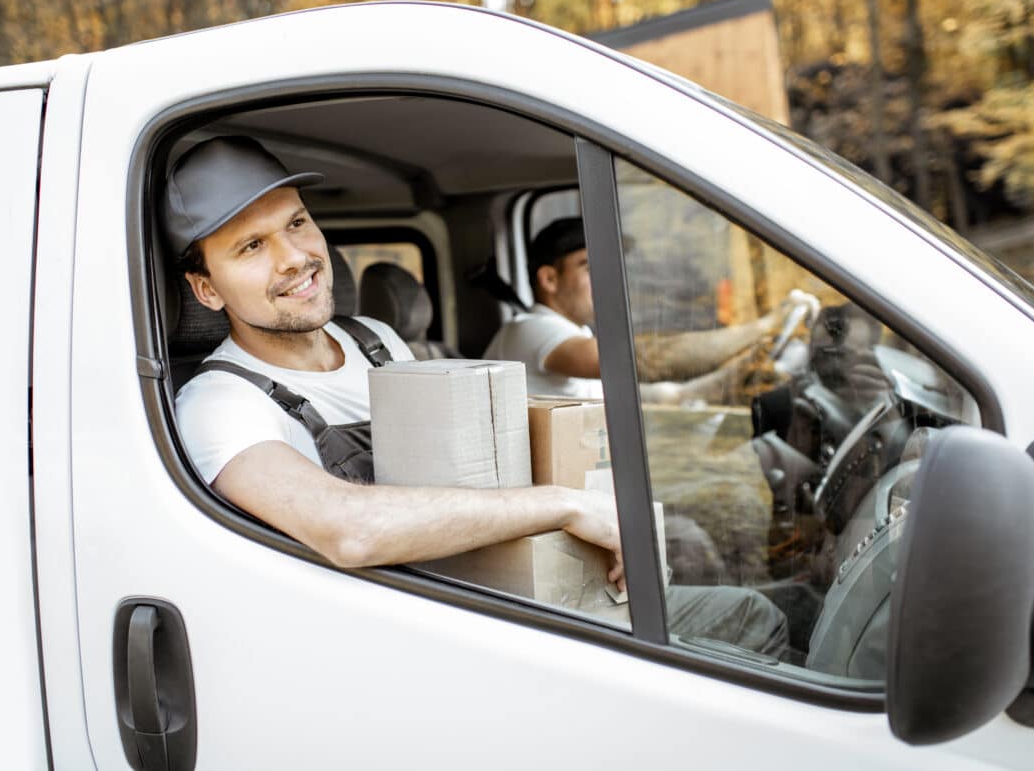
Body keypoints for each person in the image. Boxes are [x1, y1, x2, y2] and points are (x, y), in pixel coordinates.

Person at [165, 135, 787, 656]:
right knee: (755, 628)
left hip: (491, 595)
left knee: (751, 608)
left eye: (296, 223)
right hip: (418, 639)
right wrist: (565, 508)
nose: (295, 258)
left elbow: (472, 474)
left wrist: (593, 527)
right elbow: (346, 529)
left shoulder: (375, 340)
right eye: (251, 246)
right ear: (207, 288)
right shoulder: (220, 403)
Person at [483, 217, 818, 401]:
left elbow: (669, 395)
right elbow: (642, 359)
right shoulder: (529, 330)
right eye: (589, 267)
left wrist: (740, 371)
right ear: (550, 279)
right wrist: (764, 326)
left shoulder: (573, 335)